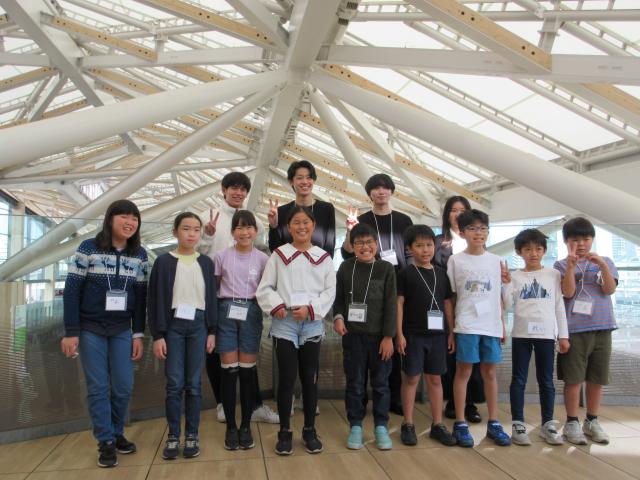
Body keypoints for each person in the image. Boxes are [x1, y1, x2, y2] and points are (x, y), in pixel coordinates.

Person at [61, 199, 148, 468]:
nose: (129, 222)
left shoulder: (139, 255)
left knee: (123, 386)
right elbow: (72, 291)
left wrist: (138, 334)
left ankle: (116, 431)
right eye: (123, 216)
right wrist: (71, 331)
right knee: (98, 387)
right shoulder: (88, 248)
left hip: (122, 329)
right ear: (110, 219)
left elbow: (140, 297)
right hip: (91, 329)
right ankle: (106, 440)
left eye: (134, 218)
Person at [197, 171, 278, 425]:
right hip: (216, 293)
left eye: (242, 189)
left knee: (248, 354)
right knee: (217, 351)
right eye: (233, 187)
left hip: (246, 298)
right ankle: (223, 403)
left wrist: (274, 227)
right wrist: (207, 235)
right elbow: (196, 252)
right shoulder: (208, 217)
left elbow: (262, 250)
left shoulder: (255, 220)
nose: (238, 192)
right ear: (223, 190)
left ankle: (254, 405)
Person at [257, 207, 336, 455]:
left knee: (310, 379)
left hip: (312, 324)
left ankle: (309, 430)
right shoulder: (279, 255)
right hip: (285, 323)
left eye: (306, 222)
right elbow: (265, 287)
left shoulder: (323, 258)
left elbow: (330, 292)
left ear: (313, 226)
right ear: (288, 227)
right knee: (287, 379)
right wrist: (277, 306)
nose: (302, 227)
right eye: (296, 223)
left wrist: (311, 310)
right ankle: (284, 432)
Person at [342, 173, 413, 415]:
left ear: (391, 191)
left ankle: (393, 398)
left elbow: (409, 252)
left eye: (385, 188)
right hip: (368, 286)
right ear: (369, 193)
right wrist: (349, 232)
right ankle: (359, 401)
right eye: (376, 188)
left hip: (397, 285)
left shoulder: (403, 219)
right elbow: (347, 254)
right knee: (362, 352)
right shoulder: (361, 220)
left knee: (392, 343)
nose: (381, 192)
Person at [148, 212, 216, 460]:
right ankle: (174, 435)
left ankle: (192, 434)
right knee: (174, 384)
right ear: (175, 231)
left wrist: (212, 331)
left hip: (199, 325)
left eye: (196, 229)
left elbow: (211, 298)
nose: (191, 234)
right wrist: (158, 335)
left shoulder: (206, 263)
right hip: (173, 325)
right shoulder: (163, 262)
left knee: (194, 384)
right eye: (186, 228)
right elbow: (154, 299)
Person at [447, 209, 511, 448]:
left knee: (490, 373)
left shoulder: (496, 261)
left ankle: (494, 422)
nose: (478, 233)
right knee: (463, 372)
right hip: (466, 325)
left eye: (483, 228)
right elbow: (451, 297)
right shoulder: (455, 260)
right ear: (462, 233)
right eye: (472, 228)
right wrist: (452, 330)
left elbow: (502, 298)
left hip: (491, 325)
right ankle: (460, 422)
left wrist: (502, 324)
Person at [502, 229, 570, 446]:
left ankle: (548, 424)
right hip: (521, 334)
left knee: (546, 380)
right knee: (518, 380)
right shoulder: (515, 276)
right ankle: (518, 424)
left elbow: (559, 305)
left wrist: (563, 335)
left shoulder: (554, 274)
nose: (533, 253)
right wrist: (506, 283)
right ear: (519, 252)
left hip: (546, 335)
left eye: (538, 249)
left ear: (544, 251)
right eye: (528, 249)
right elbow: (507, 305)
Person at [554, 217, 618, 445]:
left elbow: (609, 289)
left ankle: (592, 420)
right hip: (574, 330)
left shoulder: (605, 261)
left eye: (586, 239)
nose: (581, 244)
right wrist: (572, 266)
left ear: (592, 239)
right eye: (575, 239)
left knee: (597, 378)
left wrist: (602, 266)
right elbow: (568, 293)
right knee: (573, 378)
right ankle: (572, 421)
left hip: (603, 328)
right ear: (566, 241)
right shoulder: (561, 266)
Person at [333, 223, 396, 451]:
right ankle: (356, 426)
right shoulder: (345, 268)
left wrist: (388, 337)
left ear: (376, 244)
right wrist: (338, 317)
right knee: (355, 384)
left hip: (380, 339)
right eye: (359, 242)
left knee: (381, 385)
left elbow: (391, 304)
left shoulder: (386, 268)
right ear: (352, 246)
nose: (365, 247)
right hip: (353, 337)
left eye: (369, 242)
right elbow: (339, 298)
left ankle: (381, 426)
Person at [396, 225, 456, 447]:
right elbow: (399, 304)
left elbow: (447, 304)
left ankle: (437, 425)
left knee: (435, 379)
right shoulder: (405, 273)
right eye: (419, 246)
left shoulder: (441, 273)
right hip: (413, 335)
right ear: (409, 249)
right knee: (411, 378)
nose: (425, 250)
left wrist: (451, 332)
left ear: (435, 246)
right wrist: (399, 334)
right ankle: (408, 423)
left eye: (429, 245)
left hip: (438, 335)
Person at [214, 211, 269, 451]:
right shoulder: (221, 256)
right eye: (239, 228)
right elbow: (215, 286)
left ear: (256, 231)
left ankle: (245, 426)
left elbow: (266, 289)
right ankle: (230, 427)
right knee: (229, 372)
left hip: (251, 311)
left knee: (247, 373)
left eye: (249, 227)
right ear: (232, 232)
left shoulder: (263, 259)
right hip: (226, 310)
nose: (244, 232)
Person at [435, 196, 485, 424]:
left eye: (462, 210)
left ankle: (471, 402)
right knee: (451, 352)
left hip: (472, 305)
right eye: (453, 210)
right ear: (447, 215)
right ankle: (453, 402)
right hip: (447, 302)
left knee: (472, 356)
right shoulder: (439, 242)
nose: (457, 214)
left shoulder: (477, 242)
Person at [268, 160, 336, 257]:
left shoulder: (326, 209)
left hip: (318, 265)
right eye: (300, 178)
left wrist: (324, 264)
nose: (305, 182)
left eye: (309, 178)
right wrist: (273, 226)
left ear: (313, 180)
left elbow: (330, 246)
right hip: (288, 265)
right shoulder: (281, 212)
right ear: (291, 181)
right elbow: (275, 250)